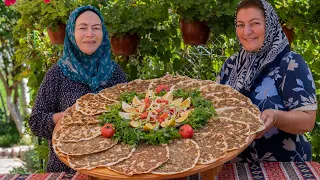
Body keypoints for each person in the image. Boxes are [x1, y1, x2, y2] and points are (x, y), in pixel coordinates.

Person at [217, 0, 317, 162]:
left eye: (254, 23)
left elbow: (307, 121)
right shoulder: (231, 64)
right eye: (240, 25)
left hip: (283, 166)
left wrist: (275, 117)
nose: (246, 31)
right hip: (233, 164)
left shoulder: (290, 63)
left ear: (269, 24)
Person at [29, 6, 127, 172]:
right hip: (66, 169)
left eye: (96, 28)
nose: (90, 34)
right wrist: (66, 115)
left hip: (109, 169)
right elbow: (36, 122)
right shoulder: (58, 73)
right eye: (82, 28)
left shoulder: (115, 73)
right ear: (71, 33)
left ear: (103, 33)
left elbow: (128, 117)